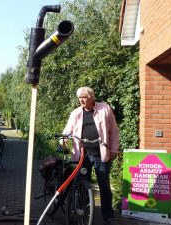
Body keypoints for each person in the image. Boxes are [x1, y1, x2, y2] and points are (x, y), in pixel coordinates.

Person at [62, 86, 119, 225]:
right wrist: (63, 140)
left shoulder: (105, 109)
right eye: (80, 97)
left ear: (92, 97)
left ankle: (108, 216)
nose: (81, 100)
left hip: (101, 154)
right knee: (82, 185)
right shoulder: (76, 113)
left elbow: (114, 131)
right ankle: (84, 211)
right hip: (82, 155)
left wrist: (115, 150)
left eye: (84, 97)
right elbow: (67, 131)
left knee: (104, 186)